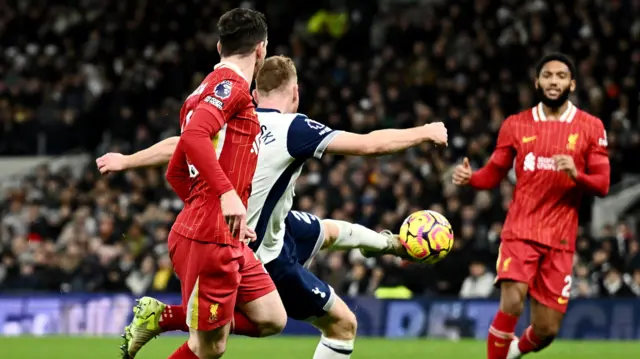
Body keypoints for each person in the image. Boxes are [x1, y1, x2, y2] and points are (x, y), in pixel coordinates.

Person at [98, 55, 448, 359]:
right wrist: (425, 131)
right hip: (261, 252)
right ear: (295, 93)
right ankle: (168, 317)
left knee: (327, 230)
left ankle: (390, 245)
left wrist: (128, 160)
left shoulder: (237, 119)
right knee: (341, 325)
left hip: (271, 229)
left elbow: (181, 143)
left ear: (254, 93)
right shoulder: (292, 127)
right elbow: (370, 145)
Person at [135, 8, 287, 359]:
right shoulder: (232, 88)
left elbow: (176, 171)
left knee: (271, 317)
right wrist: (226, 197)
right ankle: (175, 323)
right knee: (209, 349)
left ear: (219, 46)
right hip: (210, 239)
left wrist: (214, 209)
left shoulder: (200, 92)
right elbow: (194, 135)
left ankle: (164, 317)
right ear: (261, 49)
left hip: (220, 231)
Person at [452, 53, 610, 359]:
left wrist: (577, 174)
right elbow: (494, 172)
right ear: (537, 82)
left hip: (561, 238)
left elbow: (602, 184)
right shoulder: (515, 124)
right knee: (512, 300)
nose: (554, 81)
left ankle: (512, 352)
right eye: (548, 75)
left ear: (572, 84)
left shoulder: (591, 127)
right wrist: (471, 178)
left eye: (561, 76)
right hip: (521, 229)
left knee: (546, 330)